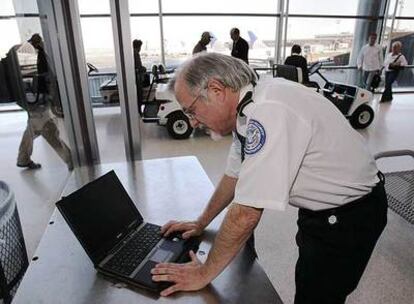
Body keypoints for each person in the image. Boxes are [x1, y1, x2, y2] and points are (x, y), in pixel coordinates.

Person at [150, 53, 388, 303]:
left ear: (216, 89)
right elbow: (234, 174)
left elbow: (246, 213)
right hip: (322, 212)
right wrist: (200, 222)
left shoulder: (269, 110)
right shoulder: (248, 106)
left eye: (192, 110)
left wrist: (203, 272)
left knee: (318, 296)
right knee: (308, 283)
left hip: (349, 217)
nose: (193, 121)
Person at [16, 33, 73, 170]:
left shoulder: (21, 57)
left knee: (31, 129)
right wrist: (54, 101)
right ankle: (71, 161)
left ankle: (23, 158)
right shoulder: (38, 56)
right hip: (39, 104)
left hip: (30, 103)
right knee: (50, 131)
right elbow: (48, 81)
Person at [132, 39, 148, 110]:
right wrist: (144, 69)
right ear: (138, 47)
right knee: (139, 95)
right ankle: (139, 111)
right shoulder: (136, 54)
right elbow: (139, 67)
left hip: (134, 77)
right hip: (137, 78)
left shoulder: (131, 53)